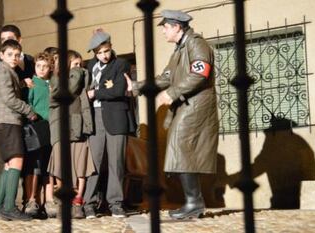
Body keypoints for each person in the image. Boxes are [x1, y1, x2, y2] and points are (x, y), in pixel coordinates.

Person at [132, 10, 219, 219]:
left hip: (196, 105)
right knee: (180, 149)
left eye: (165, 27)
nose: (163, 31)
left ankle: (194, 202)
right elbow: (166, 77)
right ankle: (193, 202)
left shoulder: (196, 44)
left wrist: (171, 94)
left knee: (179, 147)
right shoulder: (179, 50)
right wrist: (136, 86)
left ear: (176, 27)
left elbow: (200, 73)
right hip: (188, 105)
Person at [83, 29, 133, 219]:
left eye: (106, 51)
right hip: (94, 117)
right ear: (94, 53)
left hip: (116, 118)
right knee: (93, 162)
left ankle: (116, 203)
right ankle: (89, 202)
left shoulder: (121, 64)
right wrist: (103, 89)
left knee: (116, 162)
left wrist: (96, 92)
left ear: (111, 47)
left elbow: (119, 89)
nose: (104, 55)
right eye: (99, 52)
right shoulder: (90, 67)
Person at [0, 39, 37, 221]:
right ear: (1, 55)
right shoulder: (2, 72)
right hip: (8, 122)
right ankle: (9, 208)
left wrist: (22, 84)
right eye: (10, 54)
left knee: (9, 165)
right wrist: (29, 111)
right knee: (16, 162)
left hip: (4, 122)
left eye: (17, 55)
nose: (14, 58)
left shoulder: (8, 72)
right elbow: (9, 99)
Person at [47, 50, 95, 219]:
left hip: (79, 126)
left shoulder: (82, 78)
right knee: (61, 167)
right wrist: (76, 73)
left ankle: (77, 202)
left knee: (79, 166)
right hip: (61, 127)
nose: (79, 68)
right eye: (75, 64)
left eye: (80, 65)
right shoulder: (56, 79)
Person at [21, 52, 54, 217]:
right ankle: (31, 199)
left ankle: (47, 202)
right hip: (35, 129)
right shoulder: (32, 84)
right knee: (33, 166)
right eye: (38, 66)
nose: (41, 69)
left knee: (48, 167)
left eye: (45, 66)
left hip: (50, 129)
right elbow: (28, 104)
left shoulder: (52, 84)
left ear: (50, 68)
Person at [0, 24, 35, 99]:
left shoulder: (31, 60)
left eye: (10, 38)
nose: (6, 41)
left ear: (19, 40)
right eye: (3, 39)